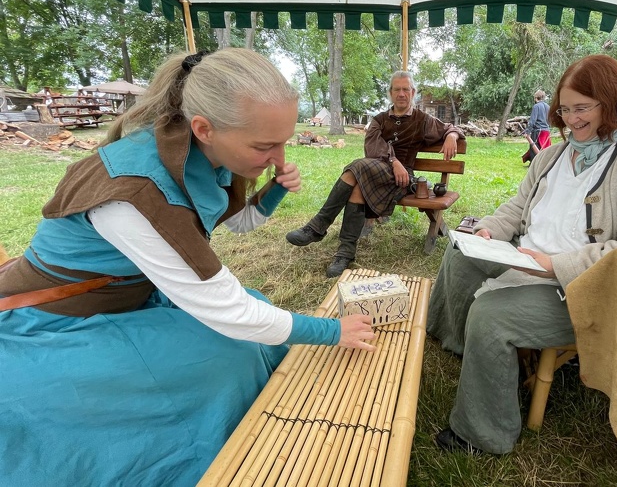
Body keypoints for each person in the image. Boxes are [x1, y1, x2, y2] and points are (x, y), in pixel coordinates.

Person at [0, 48, 375, 486]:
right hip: (57, 321)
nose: (279, 156)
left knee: (255, 318)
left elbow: (236, 221)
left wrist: (273, 191)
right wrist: (333, 332)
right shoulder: (135, 193)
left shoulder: (200, 150)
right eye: (265, 145)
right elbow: (230, 312)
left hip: (131, 299)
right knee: (227, 357)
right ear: (205, 127)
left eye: (283, 141)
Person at [426, 54, 617, 455]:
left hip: (583, 288)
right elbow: (518, 206)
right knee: (460, 256)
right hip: (528, 259)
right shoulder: (553, 155)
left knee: (493, 316)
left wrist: (559, 265)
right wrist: (489, 230)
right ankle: (465, 347)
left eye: (582, 108)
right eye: (564, 109)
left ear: (614, 103)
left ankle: (481, 435)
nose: (570, 120)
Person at [286, 71, 464, 277]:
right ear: (390, 93)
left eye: (406, 89)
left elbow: (451, 127)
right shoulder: (379, 120)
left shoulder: (422, 120)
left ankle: (317, 227)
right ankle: (345, 252)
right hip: (376, 170)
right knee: (358, 182)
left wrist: (451, 135)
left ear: (413, 92)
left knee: (356, 168)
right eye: (397, 89)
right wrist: (392, 160)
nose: (401, 94)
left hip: (401, 179)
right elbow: (372, 146)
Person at [521, 89, 551, 163]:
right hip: (546, 130)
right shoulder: (548, 106)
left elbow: (532, 121)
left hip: (538, 130)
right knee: (544, 147)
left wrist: (527, 132)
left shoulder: (536, 106)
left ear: (536, 97)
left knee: (534, 146)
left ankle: (534, 164)